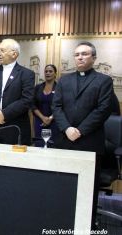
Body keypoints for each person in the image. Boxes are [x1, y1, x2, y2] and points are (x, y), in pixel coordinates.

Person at [52, 41, 113, 229]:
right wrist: (67, 129)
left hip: (89, 141)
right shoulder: (63, 80)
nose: (80, 57)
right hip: (64, 140)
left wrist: (80, 130)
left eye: (85, 54)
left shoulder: (104, 80)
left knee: (89, 189)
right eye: (77, 54)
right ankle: (62, 222)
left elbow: (103, 110)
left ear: (93, 58)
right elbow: (57, 106)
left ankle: (88, 226)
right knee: (63, 186)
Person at [32, 64, 58, 147]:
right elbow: (32, 104)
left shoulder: (59, 88)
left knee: (52, 145)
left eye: (50, 71)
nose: (48, 73)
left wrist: (50, 118)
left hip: (54, 121)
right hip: (39, 121)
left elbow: (62, 105)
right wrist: (43, 118)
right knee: (39, 145)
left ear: (55, 74)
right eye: (46, 71)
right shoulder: (38, 87)